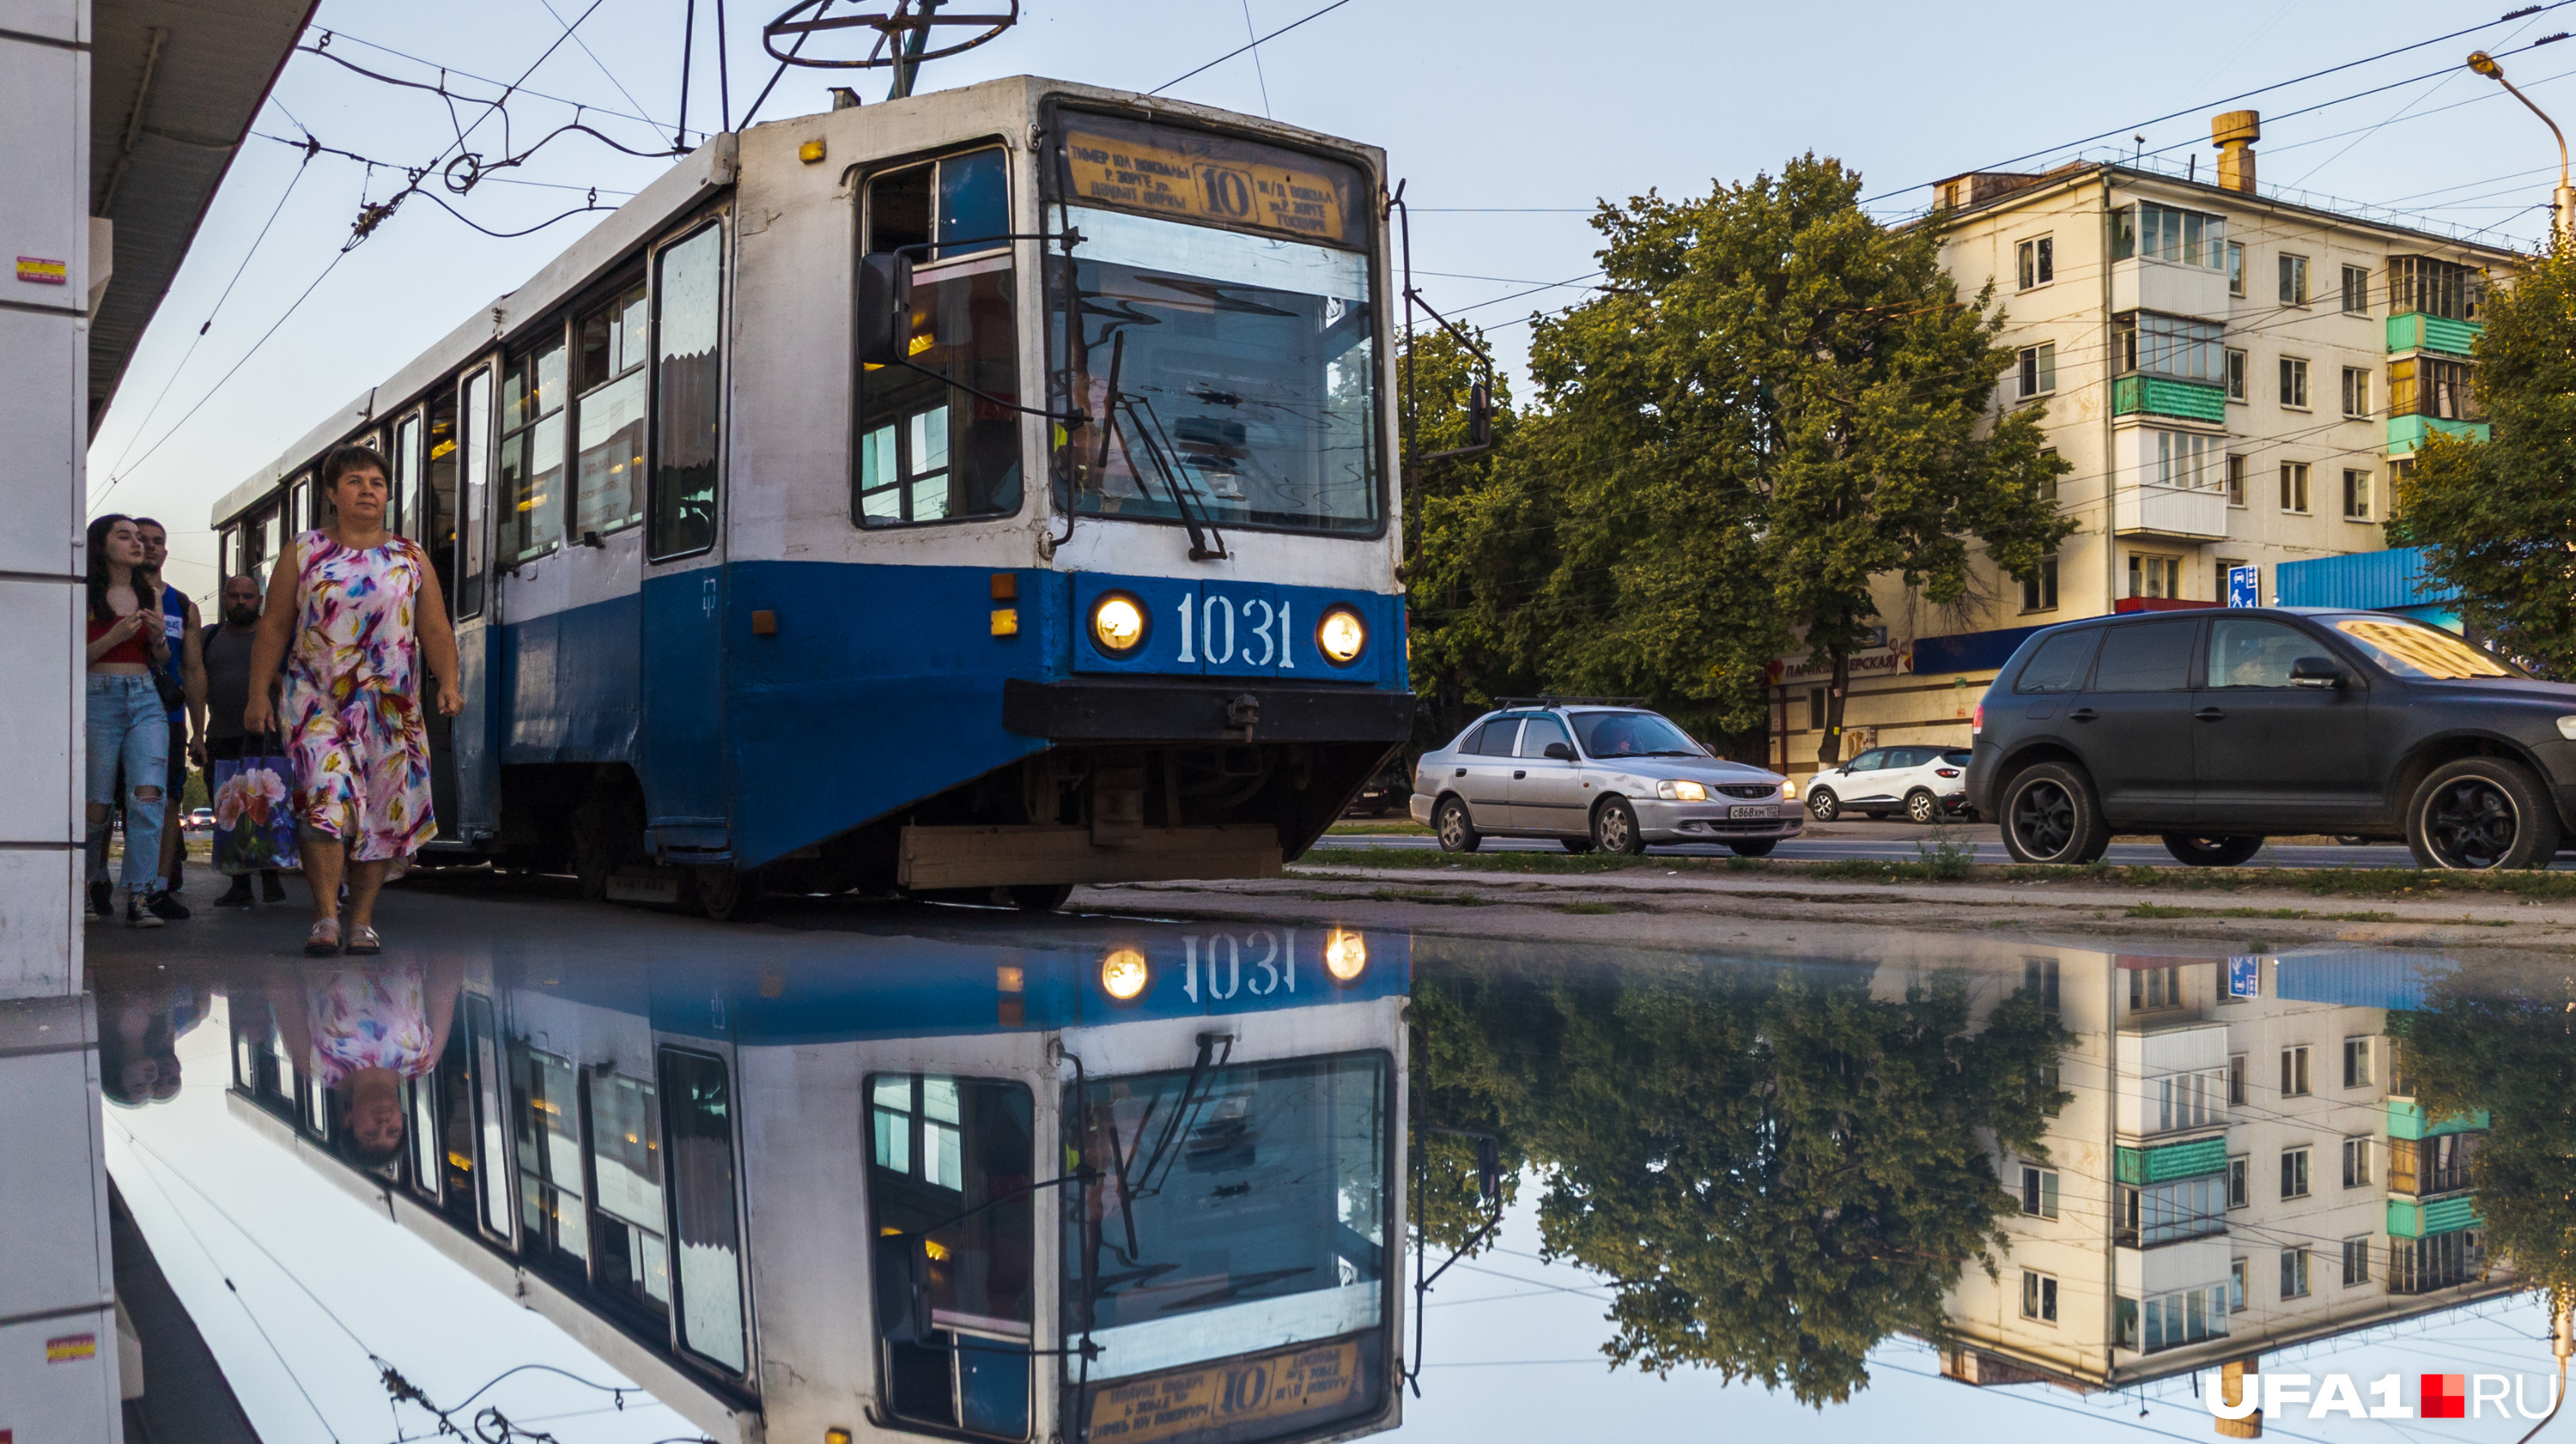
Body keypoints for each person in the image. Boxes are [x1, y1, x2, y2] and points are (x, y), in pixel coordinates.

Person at [245, 446, 462, 956]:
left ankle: (360, 920)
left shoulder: (410, 557)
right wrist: (259, 692)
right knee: (325, 795)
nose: (368, 490)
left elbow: (433, 625)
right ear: (332, 493)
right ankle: (324, 916)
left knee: (383, 811)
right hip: (316, 702)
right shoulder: (305, 551)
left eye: (377, 483)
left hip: (391, 707)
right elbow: (274, 625)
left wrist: (448, 681)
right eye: (355, 481)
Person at [264, 956, 461, 1169]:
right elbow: (444, 985)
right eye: (393, 1131)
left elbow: (281, 984)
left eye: (371, 1133)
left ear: (348, 1121)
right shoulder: (425, 1058)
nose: (383, 1123)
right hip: (400, 926)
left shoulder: (314, 1065)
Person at [84, 515, 185, 925]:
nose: (137, 544)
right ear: (102, 546)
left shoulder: (149, 592)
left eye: (139, 538)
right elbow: (77, 657)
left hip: (145, 699)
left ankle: (140, 895)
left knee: (148, 797)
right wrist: (114, 636)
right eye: (124, 536)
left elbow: (161, 657)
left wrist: (159, 637)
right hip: (99, 698)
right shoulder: (88, 592)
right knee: (96, 804)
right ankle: (90, 883)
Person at [202, 572, 290, 907]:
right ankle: (239, 884)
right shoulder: (209, 638)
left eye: (248, 596)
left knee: (266, 810)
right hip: (221, 736)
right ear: (224, 599)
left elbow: (291, 685)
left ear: (260, 601)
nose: (240, 601)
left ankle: (272, 878)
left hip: (265, 736)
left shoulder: (274, 638)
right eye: (233, 595)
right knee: (227, 810)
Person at [135, 518, 205, 908]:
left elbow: (194, 670)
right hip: (116, 709)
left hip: (169, 716)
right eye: (140, 539)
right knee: (112, 800)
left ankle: (159, 885)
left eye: (157, 541)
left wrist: (198, 731)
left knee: (168, 801)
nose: (149, 546)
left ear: (166, 550)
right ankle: (97, 881)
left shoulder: (182, 604)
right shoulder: (109, 596)